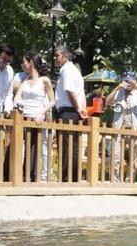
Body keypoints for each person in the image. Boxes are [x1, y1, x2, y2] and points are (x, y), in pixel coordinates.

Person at [107, 71, 137, 182]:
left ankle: (130, 180)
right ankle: (115, 181)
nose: (128, 83)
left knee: (135, 156)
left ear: (135, 81)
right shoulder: (118, 92)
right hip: (119, 128)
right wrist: (116, 88)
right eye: (125, 81)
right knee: (115, 155)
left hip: (135, 129)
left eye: (130, 81)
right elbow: (108, 102)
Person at [13, 51, 54, 182]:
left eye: (24, 61)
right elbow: (16, 99)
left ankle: (35, 176)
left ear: (30, 62)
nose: (22, 64)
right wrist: (18, 106)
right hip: (24, 118)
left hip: (38, 118)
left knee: (37, 148)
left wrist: (41, 112)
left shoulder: (44, 80)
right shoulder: (24, 81)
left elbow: (52, 101)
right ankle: (25, 175)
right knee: (25, 147)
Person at [53, 45, 87, 182]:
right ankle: (72, 176)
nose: (55, 58)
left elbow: (70, 90)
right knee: (73, 146)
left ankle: (65, 176)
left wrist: (78, 109)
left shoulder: (67, 70)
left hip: (68, 111)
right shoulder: (75, 70)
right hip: (73, 111)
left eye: (57, 55)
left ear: (65, 56)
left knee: (66, 146)